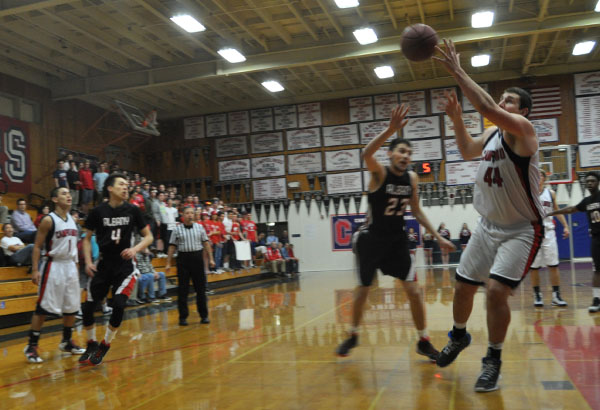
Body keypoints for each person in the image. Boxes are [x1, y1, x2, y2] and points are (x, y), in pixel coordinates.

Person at [433, 39, 544, 392]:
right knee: (463, 286)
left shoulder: (523, 133)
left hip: (522, 229)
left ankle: (492, 360)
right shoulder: (493, 132)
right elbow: (466, 150)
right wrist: (455, 120)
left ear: (522, 112)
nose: (502, 104)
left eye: (510, 101)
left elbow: (484, 105)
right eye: (503, 99)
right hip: (487, 226)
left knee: (496, 292)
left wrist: (457, 70)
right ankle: (459, 336)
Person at [336, 105, 455, 361]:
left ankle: (423, 340)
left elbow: (417, 211)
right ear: (390, 154)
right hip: (372, 239)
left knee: (413, 291)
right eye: (401, 151)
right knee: (363, 290)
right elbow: (366, 153)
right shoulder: (379, 173)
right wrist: (391, 129)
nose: (406, 156)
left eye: (409, 153)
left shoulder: (412, 178)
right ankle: (353, 334)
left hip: (396, 240)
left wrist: (438, 236)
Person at [78, 173, 153, 366]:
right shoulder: (97, 212)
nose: (125, 187)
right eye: (121, 184)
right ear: (110, 188)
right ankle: (91, 343)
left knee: (118, 304)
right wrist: (87, 262)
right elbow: (86, 238)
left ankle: (105, 344)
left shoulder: (133, 210)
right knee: (88, 307)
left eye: (127, 185)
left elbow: (149, 237)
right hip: (103, 264)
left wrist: (135, 249)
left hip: (125, 265)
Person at [24, 187, 85, 363]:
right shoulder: (48, 220)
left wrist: (76, 268)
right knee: (43, 307)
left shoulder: (74, 221)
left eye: (69, 193)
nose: (68, 196)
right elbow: (36, 246)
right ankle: (32, 345)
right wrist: (35, 270)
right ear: (54, 199)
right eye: (63, 193)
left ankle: (66, 341)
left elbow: (74, 249)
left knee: (71, 307)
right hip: (53, 265)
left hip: (70, 267)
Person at [546, 171, 600, 313]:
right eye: (587, 181)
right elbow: (571, 209)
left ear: (598, 182)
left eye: (592, 181)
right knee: (597, 271)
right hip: (596, 239)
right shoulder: (587, 201)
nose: (589, 183)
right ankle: (596, 299)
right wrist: (552, 213)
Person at [166, 207, 215, 326]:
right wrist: (168, 262)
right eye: (187, 213)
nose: (189, 215)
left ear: (194, 215)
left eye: (191, 213)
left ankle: (204, 316)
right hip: (183, 260)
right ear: (183, 215)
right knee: (183, 290)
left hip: (197, 259)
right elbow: (172, 246)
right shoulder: (177, 230)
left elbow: (206, 244)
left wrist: (211, 259)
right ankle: (183, 317)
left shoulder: (200, 227)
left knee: (201, 289)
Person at [529, 170, 569, 307]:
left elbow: (557, 211)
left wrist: (565, 226)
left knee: (553, 265)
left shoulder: (550, 194)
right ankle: (537, 295)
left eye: (540, 175)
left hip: (548, 233)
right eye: (536, 175)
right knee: (534, 267)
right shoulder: (528, 193)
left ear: (544, 179)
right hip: (533, 234)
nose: (538, 177)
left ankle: (556, 296)